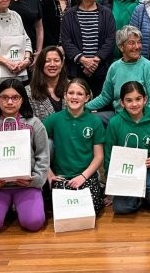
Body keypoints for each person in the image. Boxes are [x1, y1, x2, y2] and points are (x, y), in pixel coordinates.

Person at [0, 79, 49, 235]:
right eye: (5, 97)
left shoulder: (35, 124)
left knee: (34, 223)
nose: (10, 102)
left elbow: (43, 156)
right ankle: (6, 208)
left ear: (22, 99)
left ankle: (16, 207)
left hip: (27, 186)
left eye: (15, 97)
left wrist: (34, 180)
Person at [42, 77, 105, 215]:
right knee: (63, 211)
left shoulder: (95, 122)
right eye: (71, 93)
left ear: (87, 98)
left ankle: (96, 185)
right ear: (65, 95)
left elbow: (99, 156)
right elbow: (36, 147)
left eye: (80, 94)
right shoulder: (54, 119)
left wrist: (83, 176)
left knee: (92, 209)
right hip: (61, 176)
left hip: (86, 175)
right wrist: (49, 173)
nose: (74, 97)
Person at [104, 81, 150, 214]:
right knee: (119, 208)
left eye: (138, 99)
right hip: (123, 172)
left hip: (147, 170)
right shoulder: (115, 123)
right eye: (129, 100)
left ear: (145, 100)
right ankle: (136, 197)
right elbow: (108, 153)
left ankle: (139, 196)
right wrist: (111, 182)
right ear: (122, 103)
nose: (134, 104)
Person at [86, 26, 150, 121]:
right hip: (119, 117)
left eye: (139, 42)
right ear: (121, 47)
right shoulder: (114, 67)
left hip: (142, 119)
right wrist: (83, 107)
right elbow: (105, 97)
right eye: (132, 43)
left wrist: (140, 122)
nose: (137, 47)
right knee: (88, 118)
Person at [61, 0, 117, 98]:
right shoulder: (69, 15)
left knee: (101, 104)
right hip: (77, 71)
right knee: (77, 104)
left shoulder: (106, 13)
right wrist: (83, 60)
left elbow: (111, 39)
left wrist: (95, 61)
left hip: (101, 70)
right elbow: (66, 41)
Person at [25, 46, 68, 120]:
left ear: (62, 63)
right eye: (47, 61)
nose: (52, 64)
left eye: (56, 60)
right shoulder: (28, 92)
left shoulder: (72, 87)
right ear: (41, 64)